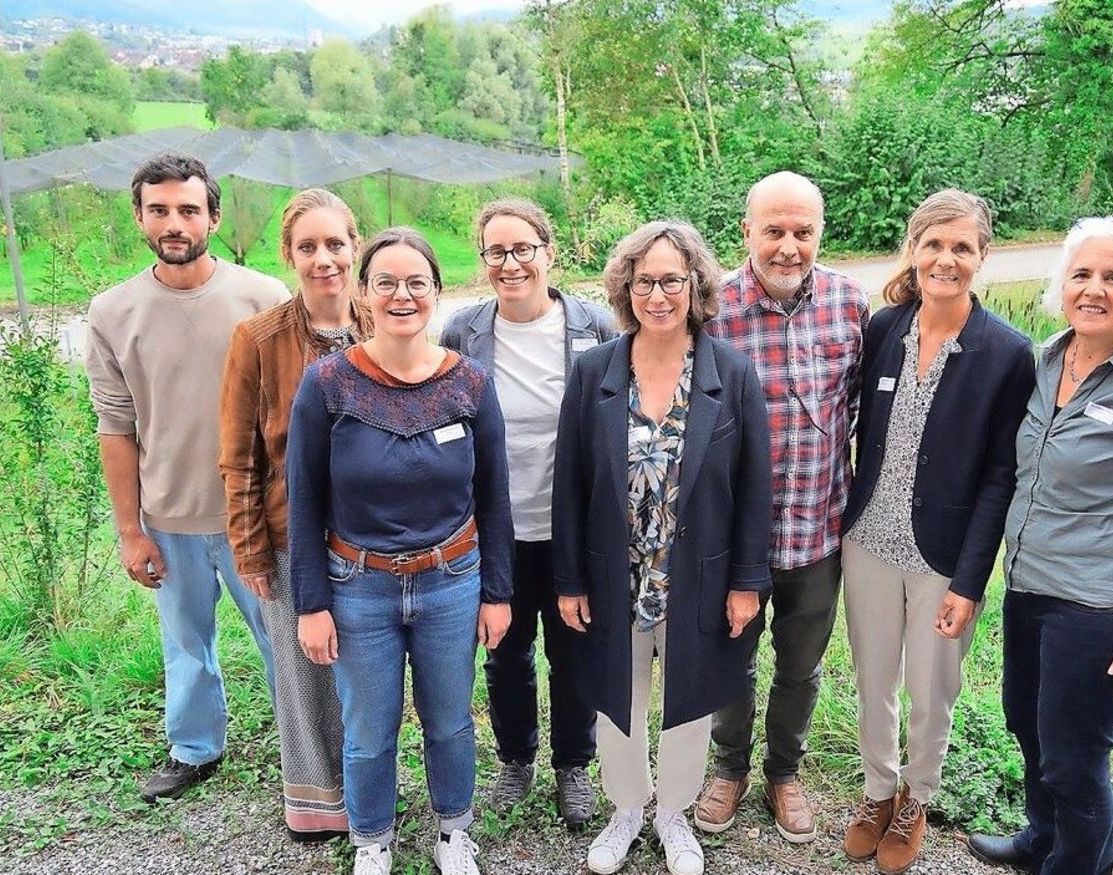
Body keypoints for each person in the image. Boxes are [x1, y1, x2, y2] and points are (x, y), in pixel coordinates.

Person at [966, 217, 1113, 875]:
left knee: (1075, 757)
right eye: (1082, 274)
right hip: (1029, 587)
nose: (1094, 289)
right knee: (1028, 726)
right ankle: (1041, 840)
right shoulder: (1047, 361)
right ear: (1062, 284)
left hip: (1100, 607)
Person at [285, 228, 513, 875]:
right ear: (364, 293)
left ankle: (454, 833)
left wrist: (497, 592)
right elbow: (304, 501)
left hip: (451, 581)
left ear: (437, 291)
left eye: (416, 282)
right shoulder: (327, 384)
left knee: (450, 722)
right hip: (358, 585)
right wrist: (311, 604)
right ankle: (372, 839)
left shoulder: (470, 383)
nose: (401, 295)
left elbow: (495, 497)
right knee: (368, 729)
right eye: (386, 282)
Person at [554, 221, 772, 875]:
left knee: (689, 696)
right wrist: (569, 580)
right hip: (613, 573)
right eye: (644, 281)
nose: (658, 295)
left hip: (697, 575)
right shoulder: (594, 371)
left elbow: (755, 487)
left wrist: (747, 582)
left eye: (672, 280)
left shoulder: (731, 372)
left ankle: (674, 812)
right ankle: (626, 809)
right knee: (617, 697)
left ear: (695, 286)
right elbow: (569, 483)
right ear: (625, 288)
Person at [838, 190, 1035, 874]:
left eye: (962, 247)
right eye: (934, 244)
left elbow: (1000, 478)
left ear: (983, 256)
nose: (946, 259)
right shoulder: (883, 328)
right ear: (914, 249)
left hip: (943, 557)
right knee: (873, 681)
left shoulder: (1007, 353)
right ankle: (877, 791)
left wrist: (970, 581)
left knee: (932, 688)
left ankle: (916, 798)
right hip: (867, 539)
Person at [85, 153, 283, 804]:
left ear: (213, 218)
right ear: (139, 217)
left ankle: (310, 750)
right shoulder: (113, 312)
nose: (174, 223)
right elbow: (116, 427)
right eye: (160, 210)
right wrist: (129, 531)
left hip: (255, 514)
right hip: (169, 517)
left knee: (284, 641)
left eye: (189, 210)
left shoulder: (262, 299)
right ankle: (195, 748)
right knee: (185, 644)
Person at [697, 171, 868, 843]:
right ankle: (729, 768)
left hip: (817, 530)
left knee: (801, 665)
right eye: (774, 231)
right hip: (734, 539)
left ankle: (784, 772)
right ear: (747, 232)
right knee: (730, 662)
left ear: (820, 233)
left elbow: (861, 410)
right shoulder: (712, 310)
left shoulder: (849, 304)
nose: (789, 247)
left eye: (803, 232)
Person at [440, 197, 616, 827]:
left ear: (549, 252)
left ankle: (573, 765)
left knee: (575, 652)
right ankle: (515, 760)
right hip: (497, 529)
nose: (510, 263)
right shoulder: (463, 333)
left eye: (523, 249)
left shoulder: (595, 327)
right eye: (496, 251)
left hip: (572, 527)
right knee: (505, 653)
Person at [219, 189, 373, 840]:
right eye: (307, 247)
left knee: (368, 670)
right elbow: (239, 457)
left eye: (335, 243)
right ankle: (318, 805)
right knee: (305, 672)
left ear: (355, 246)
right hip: (291, 535)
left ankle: (372, 786)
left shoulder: (385, 319)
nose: (323, 259)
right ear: (288, 255)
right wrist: (250, 547)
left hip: (376, 538)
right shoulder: (258, 340)